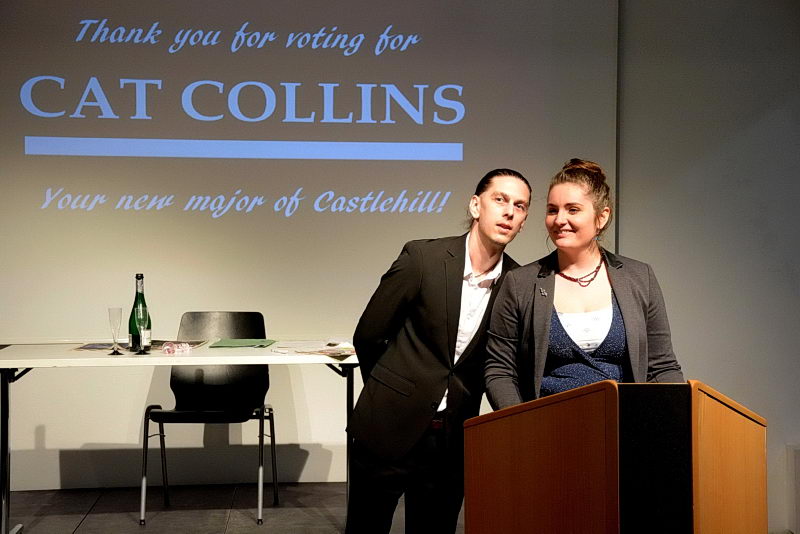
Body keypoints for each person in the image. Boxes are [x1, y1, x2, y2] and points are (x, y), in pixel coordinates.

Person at [346, 169, 532, 534]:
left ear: (523, 221)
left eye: (520, 205)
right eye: (500, 199)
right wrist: (391, 393)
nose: (509, 211)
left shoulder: (517, 283)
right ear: (476, 205)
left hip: (450, 440)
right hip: (388, 425)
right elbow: (368, 335)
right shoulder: (423, 258)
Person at [485, 158, 683, 410]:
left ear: (602, 217)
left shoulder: (639, 277)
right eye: (552, 210)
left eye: (573, 209)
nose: (559, 220)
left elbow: (662, 367)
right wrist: (521, 423)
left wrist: (678, 416)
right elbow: (500, 370)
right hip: (546, 425)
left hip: (623, 423)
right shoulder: (520, 283)